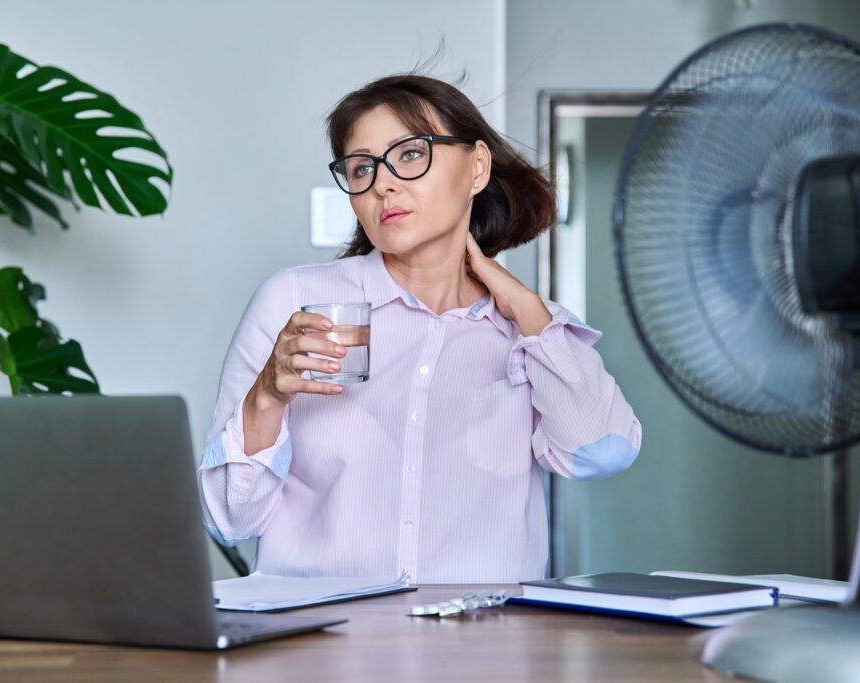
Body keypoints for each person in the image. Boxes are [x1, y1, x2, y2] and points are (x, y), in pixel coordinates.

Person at [198, 74, 641, 583]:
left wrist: (529, 312)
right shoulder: (295, 303)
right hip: (318, 643)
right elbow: (230, 520)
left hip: (483, 645)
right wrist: (267, 398)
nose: (382, 183)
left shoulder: (526, 332)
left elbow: (601, 453)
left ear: (476, 167)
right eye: (361, 167)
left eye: (410, 154)